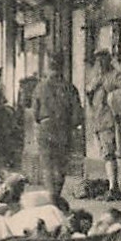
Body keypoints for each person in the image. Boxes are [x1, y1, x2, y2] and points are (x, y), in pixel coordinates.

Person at [30, 56, 82, 203]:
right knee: (61, 165)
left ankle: (50, 195)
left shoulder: (40, 87)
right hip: (63, 129)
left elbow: (35, 113)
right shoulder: (70, 88)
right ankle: (56, 195)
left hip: (45, 128)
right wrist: (70, 126)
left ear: (49, 68)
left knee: (47, 165)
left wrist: (41, 121)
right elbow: (77, 115)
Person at [86, 50, 121, 199]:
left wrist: (111, 95)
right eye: (97, 62)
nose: (100, 65)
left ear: (108, 61)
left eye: (102, 61)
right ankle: (112, 186)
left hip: (109, 120)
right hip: (99, 121)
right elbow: (89, 93)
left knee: (110, 154)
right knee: (106, 154)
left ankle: (113, 187)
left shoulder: (116, 76)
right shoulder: (96, 78)